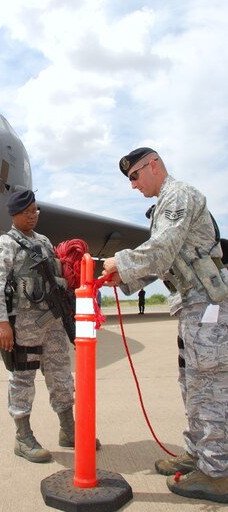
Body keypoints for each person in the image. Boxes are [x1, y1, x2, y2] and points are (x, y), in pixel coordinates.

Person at [102, 147, 228, 503]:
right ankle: (200, 455)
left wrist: (120, 262)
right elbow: (164, 263)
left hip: (209, 307)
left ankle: (218, 473)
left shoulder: (178, 196)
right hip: (194, 307)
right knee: (193, 386)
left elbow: (161, 249)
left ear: (153, 166)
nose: (132, 185)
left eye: (134, 177)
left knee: (210, 388)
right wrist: (124, 281)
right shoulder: (164, 205)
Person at [0, 189, 77, 463]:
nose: (33, 217)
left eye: (36, 211)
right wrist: (1, 323)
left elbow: (58, 275)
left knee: (61, 373)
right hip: (24, 324)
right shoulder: (5, 245)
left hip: (53, 321)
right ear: (14, 214)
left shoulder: (45, 242)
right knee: (23, 378)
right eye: (27, 213)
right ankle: (23, 437)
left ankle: (68, 429)